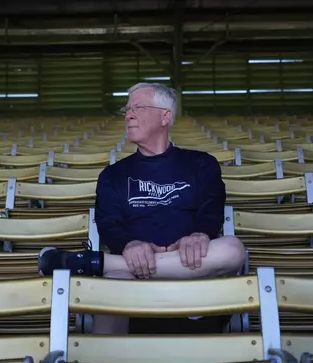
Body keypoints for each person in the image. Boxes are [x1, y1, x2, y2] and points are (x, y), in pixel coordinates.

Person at [38, 82, 246, 334]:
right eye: (126, 109)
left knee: (233, 250)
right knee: (112, 286)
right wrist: (129, 244)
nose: (128, 114)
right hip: (133, 278)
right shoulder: (113, 175)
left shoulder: (201, 164)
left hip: (195, 272)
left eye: (138, 107)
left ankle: (96, 263)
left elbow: (211, 208)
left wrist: (199, 234)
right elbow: (109, 222)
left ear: (165, 116)